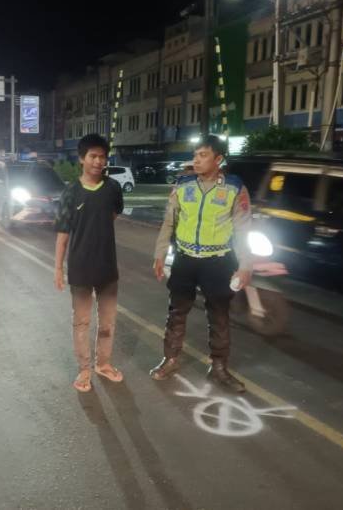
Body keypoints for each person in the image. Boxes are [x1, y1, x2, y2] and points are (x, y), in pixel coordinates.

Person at [150, 136, 252, 393]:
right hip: (185, 259)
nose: (196, 160)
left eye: (203, 155)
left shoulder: (234, 188)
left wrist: (245, 265)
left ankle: (218, 368)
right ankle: (171, 359)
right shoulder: (183, 185)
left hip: (218, 261)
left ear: (218, 159)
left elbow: (243, 229)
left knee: (218, 315)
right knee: (177, 311)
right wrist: (160, 254)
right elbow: (169, 222)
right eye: (195, 155)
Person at [54, 133, 125, 393]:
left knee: (108, 322)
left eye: (102, 156)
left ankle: (103, 364)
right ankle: (84, 369)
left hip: (108, 268)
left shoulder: (113, 188)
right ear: (82, 159)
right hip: (81, 268)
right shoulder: (71, 192)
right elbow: (63, 235)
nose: (98, 161)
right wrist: (58, 268)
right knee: (82, 322)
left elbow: (112, 215)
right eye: (93, 156)